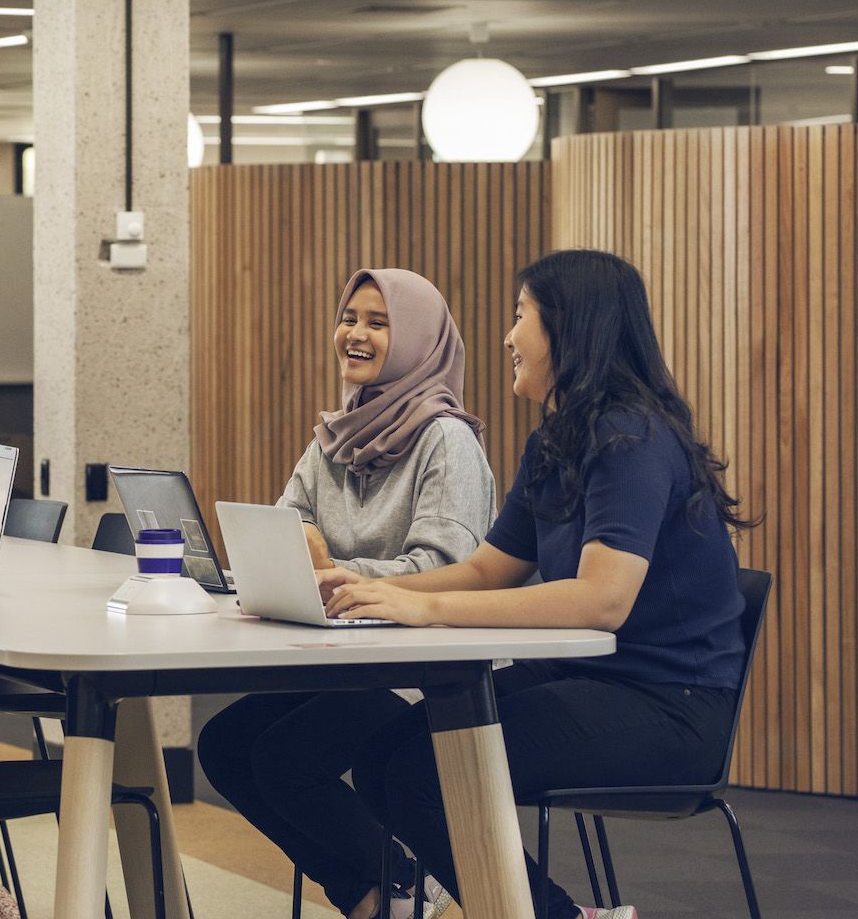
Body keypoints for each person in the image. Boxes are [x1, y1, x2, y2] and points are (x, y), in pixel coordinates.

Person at [322, 249, 753, 919]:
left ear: (570, 329)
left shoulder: (629, 437)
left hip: (668, 705)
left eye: (521, 316)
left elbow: (602, 600)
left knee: (420, 774)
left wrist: (425, 609)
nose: (508, 337)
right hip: (586, 679)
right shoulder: (557, 439)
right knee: (384, 762)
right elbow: (488, 568)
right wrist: (381, 591)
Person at [197, 269, 493, 919]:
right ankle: (376, 894)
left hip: (427, 674)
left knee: (282, 758)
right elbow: (288, 516)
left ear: (418, 339)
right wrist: (301, 538)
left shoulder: (448, 441)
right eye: (349, 317)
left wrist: (342, 574)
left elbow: (451, 565)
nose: (355, 334)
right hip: (348, 657)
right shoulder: (336, 435)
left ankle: (418, 893)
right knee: (223, 746)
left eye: (378, 323)